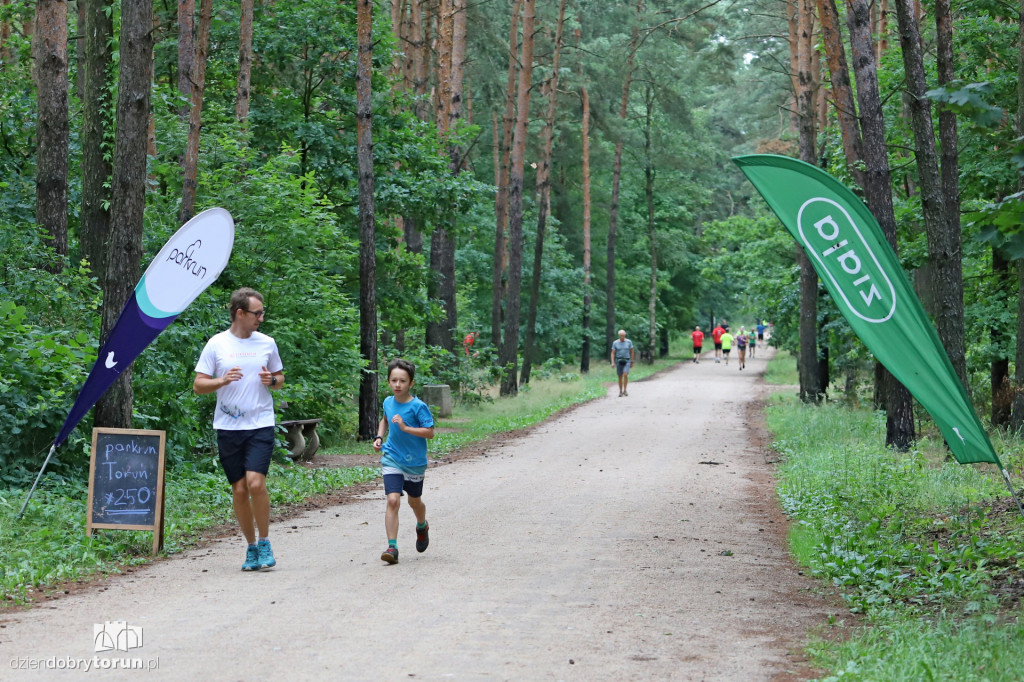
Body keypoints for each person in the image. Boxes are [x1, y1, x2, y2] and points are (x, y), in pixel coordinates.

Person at [194, 287, 285, 572]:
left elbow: (280, 378)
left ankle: (266, 540)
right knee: (239, 489)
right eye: (257, 313)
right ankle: (251, 547)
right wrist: (221, 381)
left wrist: (271, 380)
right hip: (228, 427)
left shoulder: (267, 343)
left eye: (262, 312)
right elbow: (198, 385)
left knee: (256, 483)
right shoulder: (217, 344)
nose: (261, 317)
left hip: (260, 423)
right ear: (240, 313)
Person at [373, 358, 435, 564]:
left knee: (414, 501)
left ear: (411, 383)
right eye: (394, 380)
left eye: (402, 381)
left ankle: (421, 525)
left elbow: (430, 432)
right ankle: (392, 547)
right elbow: (384, 418)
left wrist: (406, 428)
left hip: (414, 462)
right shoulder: (388, 402)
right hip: (392, 457)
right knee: (392, 500)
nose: (397, 385)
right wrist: (379, 437)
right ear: (389, 382)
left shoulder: (418, 407)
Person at [610, 329, 636, 397]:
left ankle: (625, 390)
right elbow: (613, 353)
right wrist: (612, 362)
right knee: (620, 376)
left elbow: (632, 351)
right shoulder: (615, 343)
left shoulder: (629, 342)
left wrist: (632, 361)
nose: (622, 337)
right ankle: (620, 391)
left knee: (625, 374)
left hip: (627, 360)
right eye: (621, 335)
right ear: (619, 335)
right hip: (619, 360)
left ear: (625, 335)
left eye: (623, 335)